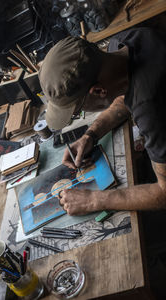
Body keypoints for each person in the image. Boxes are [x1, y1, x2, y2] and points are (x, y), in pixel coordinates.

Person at [38, 27, 166, 215]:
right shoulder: (125, 40)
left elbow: (164, 193)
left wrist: (93, 200)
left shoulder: (150, 109)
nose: (80, 114)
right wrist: (90, 135)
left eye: (78, 111)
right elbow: (126, 95)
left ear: (98, 91)